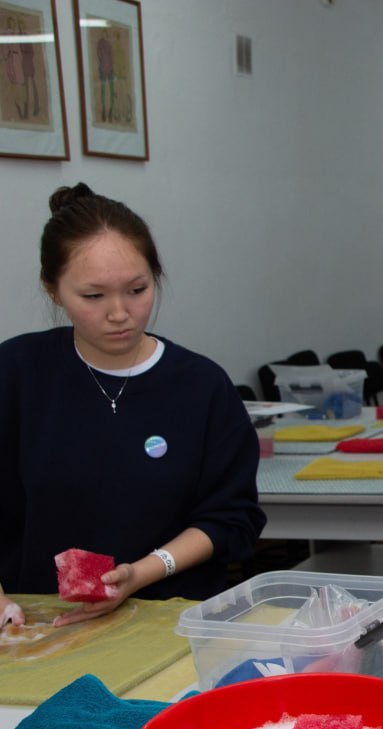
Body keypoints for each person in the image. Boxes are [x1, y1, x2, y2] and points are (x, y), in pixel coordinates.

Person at [0, 184, 266, 628]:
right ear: (53, 290)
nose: (120, 312)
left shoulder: (201, 387)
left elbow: (231, 517)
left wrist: (141, 572)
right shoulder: (16, 373)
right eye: (93, 296)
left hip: (172, 618)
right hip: (38, 625)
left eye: (137, 290)